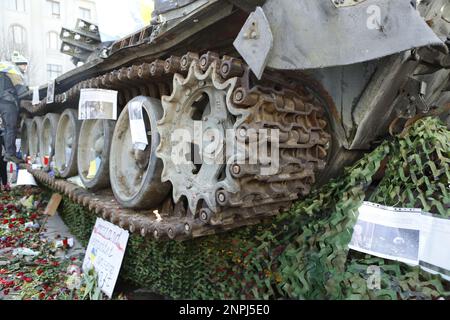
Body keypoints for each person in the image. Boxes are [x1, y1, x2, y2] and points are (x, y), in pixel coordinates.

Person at [0, 51, 29, 164]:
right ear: (18, 64)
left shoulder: (3, 70)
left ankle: (8, 153)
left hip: (2, 102)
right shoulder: (12, 70)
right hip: (8, 102)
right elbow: (20, 88)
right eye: (24, 64)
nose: (25, 68)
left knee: (7, 128)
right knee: (10, 127)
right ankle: (10, 154)